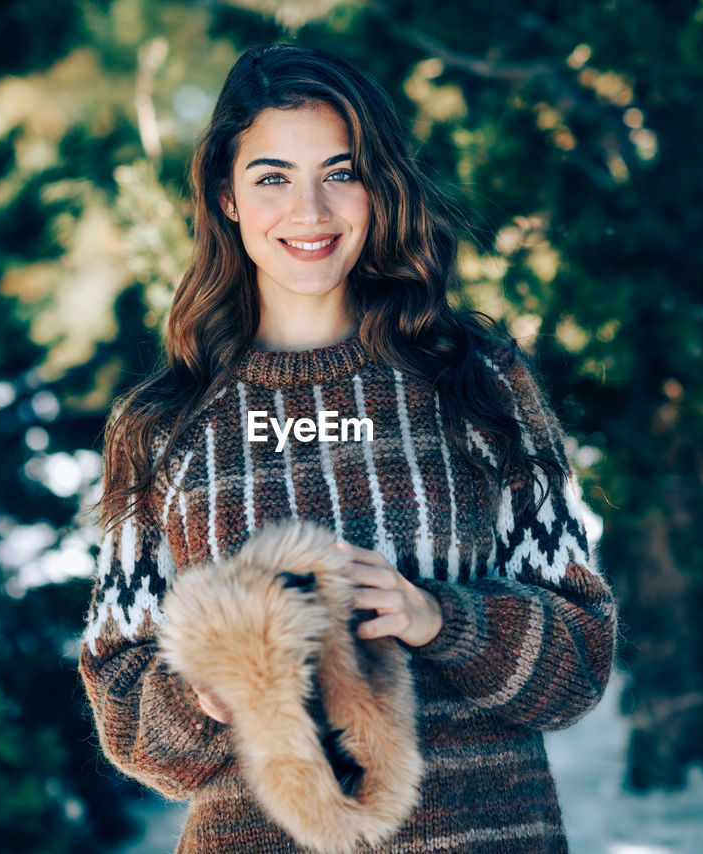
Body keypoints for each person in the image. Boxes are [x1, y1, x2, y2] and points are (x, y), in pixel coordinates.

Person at [79, 42, 617, 853]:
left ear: (379, 185)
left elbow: (578, 665)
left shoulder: (478, 386)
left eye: (341, 172)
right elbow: (129, 721)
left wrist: (438, 618)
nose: (310, 212)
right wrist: (210, 688)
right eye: (272, 178)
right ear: (225, 195)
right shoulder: (162, 430)